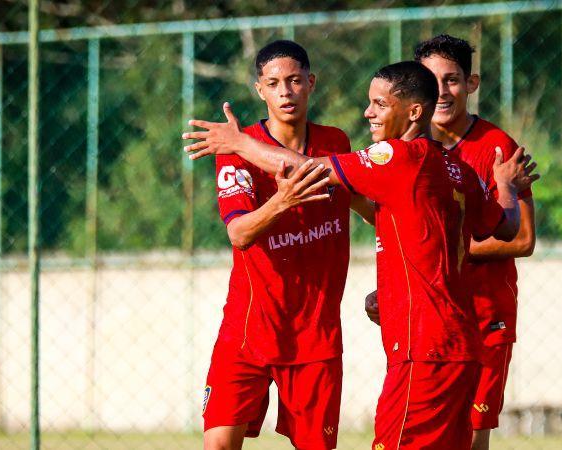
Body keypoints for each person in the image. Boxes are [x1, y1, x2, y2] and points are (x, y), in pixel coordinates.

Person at [184, 61, 539, 449]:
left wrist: (238, 143)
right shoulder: (456, 167)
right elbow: (504, 225)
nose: (368, 112)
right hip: (460, 346)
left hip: (422, 348)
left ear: (414, 112)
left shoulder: (398, 158)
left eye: (379, 104)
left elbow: (305, 169)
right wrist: (504, 185)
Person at [201, 40, 372, 450]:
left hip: (315, 335)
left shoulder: (335, 143)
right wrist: (282, 202)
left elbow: (372, 208)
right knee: (219, 444)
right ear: (259, 90)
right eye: (274, 83)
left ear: (310, 83)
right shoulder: (235, 152)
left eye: (294, 80)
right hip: (249, 329)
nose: (285, 91)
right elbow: (239, 234)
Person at [415, 34, 538, 450]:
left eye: (452, 80)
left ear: (472, 83)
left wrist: (450, 251)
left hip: (486, 315)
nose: (442, 91)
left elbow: (522, 238)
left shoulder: (498, 147)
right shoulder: (408, 149)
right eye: (432, 81)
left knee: (471, 438)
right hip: (427, 319)